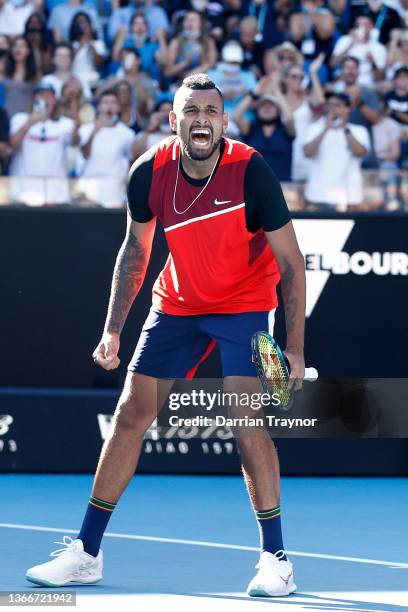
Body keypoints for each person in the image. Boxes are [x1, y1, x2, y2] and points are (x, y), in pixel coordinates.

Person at [25, 73, 306, 598]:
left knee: (245, 422)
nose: (201, 119)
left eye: (211, 111)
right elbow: (135, 253)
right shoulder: (148, 172)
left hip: (244, 302)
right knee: (131, 414)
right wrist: (113, 329)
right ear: (173, 120)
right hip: (178, 303)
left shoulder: (251, 172)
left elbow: (291, 264)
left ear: (224, 121)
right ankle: (86, 553)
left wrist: (293, 348)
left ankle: (276, 559)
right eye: (190, 110)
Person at [9, 83, 78, 204]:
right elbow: (13, 145)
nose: (45, 100)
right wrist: (30, 123)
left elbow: (75, 142)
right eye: (41, 96)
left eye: (49, 97)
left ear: (54, 102)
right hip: (24, 192)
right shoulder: (19, 119)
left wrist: (76, 125)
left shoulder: (64, 123)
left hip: (55, 194)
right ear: (34, 100)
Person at [303, 91, 370, 211]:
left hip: (350, 198)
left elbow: (360, 152)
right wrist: (326, 129)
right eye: (329, 105)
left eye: (337, 105)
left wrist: (345, 128)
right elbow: (308, 152)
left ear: (348, 108)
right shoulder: (314, 128)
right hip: (318, 197)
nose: (332, 109)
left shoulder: (359, 131)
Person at [77, 89, 137, 207]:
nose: (109, 106)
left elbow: (132, 159)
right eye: (105, 102)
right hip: (89, 182)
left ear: (119, 108)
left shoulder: (127, 133)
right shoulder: (86, 129)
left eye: (113, 102)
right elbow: (85, 154)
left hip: (114, 185)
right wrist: (95, 131)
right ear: (98, 107)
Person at [234, 90, 295, 182]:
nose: (267, 108)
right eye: (263, 105)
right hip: (255, 186)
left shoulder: (285, 131)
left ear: (278, 110)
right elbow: (237, 116)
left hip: (282, 186)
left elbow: (290, 118)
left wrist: (277, 91)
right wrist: (254, 93)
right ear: (257, 110)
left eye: (271, 105)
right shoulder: (251, 129)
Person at [331, 14, 387, 87]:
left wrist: (372, 62)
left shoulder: (379, 48)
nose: (361, 27)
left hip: (367, 85)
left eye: (365, 25)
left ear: (372, 26)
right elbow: (332, 63)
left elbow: (381, 77)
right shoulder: (344, 40)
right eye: (358, 25)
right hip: (344, 83)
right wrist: (350, 45)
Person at [112, 11, 167, 80]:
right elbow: (115, 59)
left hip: (147, 80)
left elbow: (164, 62)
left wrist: (161, 38)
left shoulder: (152, 46)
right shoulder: (126, 44)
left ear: (147, 27)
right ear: (131, 27)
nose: (139, 28)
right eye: (136, 24)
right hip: (126, 79)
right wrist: (120, 36)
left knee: (155, 69)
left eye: (142, 24)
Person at [164, 10, 217, 81]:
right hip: (179, 81)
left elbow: (211, 64)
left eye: (193, 20)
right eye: (187, 20)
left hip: (202, 81)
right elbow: (168, 72)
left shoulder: (209, 42)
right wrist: (185, 63)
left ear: (200, 24)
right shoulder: (176, 42)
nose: (189, 23)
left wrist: (191, 74)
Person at [69, 11, 107, 87]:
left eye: (85, 23)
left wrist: (89, 43)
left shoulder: (98, 43)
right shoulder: (71, 44)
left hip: (92, 78)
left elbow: (99, 63)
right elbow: (68, 61)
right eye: (79, 23)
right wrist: (81, 44)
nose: (83, 26)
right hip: (74, 77)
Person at [4, 36, 39, 118]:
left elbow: (38, 98)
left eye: (22, 46)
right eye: (15, 46)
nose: (18, 49)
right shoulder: (4, 71)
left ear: (28, 50)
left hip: (24, 119)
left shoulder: (35, 74)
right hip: (4, 120)